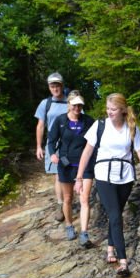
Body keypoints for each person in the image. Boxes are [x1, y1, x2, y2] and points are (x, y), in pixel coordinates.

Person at [75, 93, 140, 276]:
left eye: (113, 109)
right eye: (108, 109)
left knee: (115, 213)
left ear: (123, 110)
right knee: (116, 216)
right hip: (103, 176)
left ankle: (110, 248)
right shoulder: (99, 126)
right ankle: (123, 262)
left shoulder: (131, 128)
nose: (109, 112)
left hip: (125, 177)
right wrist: (79, 178)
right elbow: (86, 153)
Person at [48, 91, 96, 242]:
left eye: (80, 105)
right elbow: (51, 140)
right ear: (69, 105)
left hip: (85, 165)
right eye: (74, 105)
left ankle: (84, 233)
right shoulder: (60, 121)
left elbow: (98, 138)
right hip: (66, 165)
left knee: (84, 199)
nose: (77, 108)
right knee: (68, 198)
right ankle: (69, 225)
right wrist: (52, 154)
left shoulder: (88, 121)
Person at [34, 73, 71, 221]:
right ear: (49, 87)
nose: (55, 88)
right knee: (58, 175)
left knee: (70, 172)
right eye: (52, 85)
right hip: (53, 144)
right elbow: (41, 126)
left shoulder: (70, 102)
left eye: (57, 85)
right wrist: (38, 146)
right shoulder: (45, 104)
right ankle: (61, 205)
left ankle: (69, 202)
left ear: (62, 85)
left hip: (70, 144)